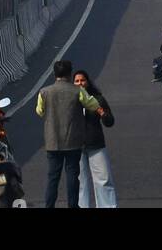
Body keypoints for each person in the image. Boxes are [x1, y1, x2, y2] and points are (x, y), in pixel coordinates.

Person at [36, 60, 105, 208]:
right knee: (73, 176)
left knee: (53, 177)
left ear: (55, 74)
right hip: (73, 141)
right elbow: (92, 104)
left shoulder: (44, 92)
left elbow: (40, 111)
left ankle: (49, 205)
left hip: (52, 141)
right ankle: (73, 205)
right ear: (69, 74)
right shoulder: (77, 91)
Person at [73, 70, 118, 208]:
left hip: (96, 145)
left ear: (88, 81)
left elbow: (110, 121)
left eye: (82, 80)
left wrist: (102, 112)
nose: (80, 83)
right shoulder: (70, 100)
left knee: (103, 179)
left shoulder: (98, 99)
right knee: (80, 182)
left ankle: (107, 205)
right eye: (77, 81)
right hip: (76, 146)